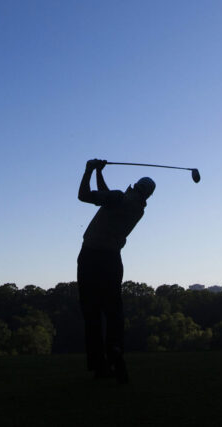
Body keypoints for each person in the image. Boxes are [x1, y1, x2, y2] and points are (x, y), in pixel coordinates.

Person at [76, 159, 154, 383]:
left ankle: (100, 367)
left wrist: (89, 169)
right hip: (112, 260)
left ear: (135, 185)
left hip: (91, 257)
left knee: (92, 313)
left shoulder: (119, 198)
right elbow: (107, 197)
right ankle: (116, 352)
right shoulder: (137, 209)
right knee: (113, 313)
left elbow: (84, 195)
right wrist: (100, 173)